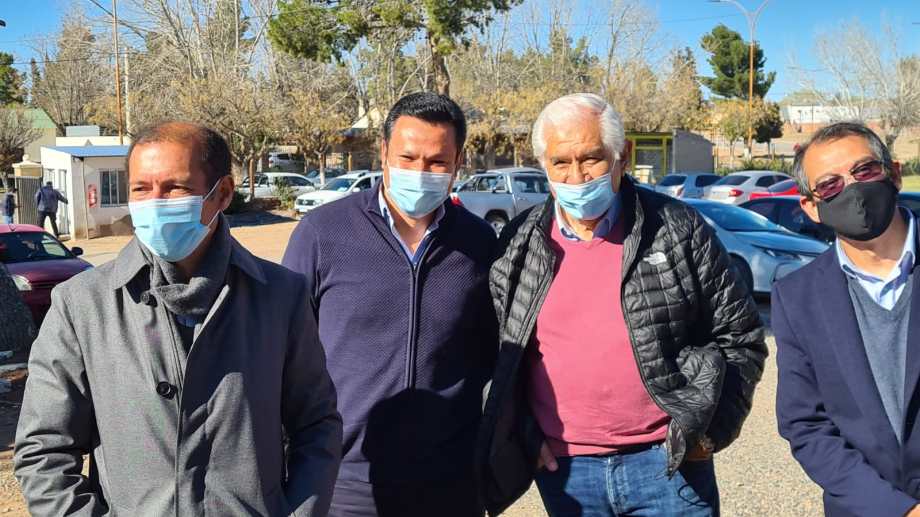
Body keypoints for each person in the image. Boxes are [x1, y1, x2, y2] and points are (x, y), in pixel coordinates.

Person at [15, 121, 342, 516]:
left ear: (222, 193)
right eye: (141, 189)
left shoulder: (280, 296)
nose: (155, 202)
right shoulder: (82, 304)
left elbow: (316, 426)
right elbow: (44, 450)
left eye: (175, 188)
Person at [477, 93, 767, 516]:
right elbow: (499, 357)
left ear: (623, 155)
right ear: (543, 164)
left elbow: (740, 336)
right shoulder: (519, 243)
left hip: (669, 467)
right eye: (560, 162)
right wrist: (526, 436)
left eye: (591, 159)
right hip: (567, 472)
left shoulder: (677, 229)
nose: (577, 177)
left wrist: (708, 433)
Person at [282, 92, 498, 517]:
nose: (420, 172)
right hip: (343, 480)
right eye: (408, 157)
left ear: (458, 163)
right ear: (383, 152)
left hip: (450, 482)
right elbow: (282, 349)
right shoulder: (323, 233)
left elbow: (493, 352)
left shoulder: (479, 242)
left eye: (437, 162)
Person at [775, 121, 920, 517]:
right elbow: (805, 424)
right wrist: (898, 510)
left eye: (864, 170)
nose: (852, 189)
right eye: (829, 185)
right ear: (810, 206)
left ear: (894, 173)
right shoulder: (797, 297)